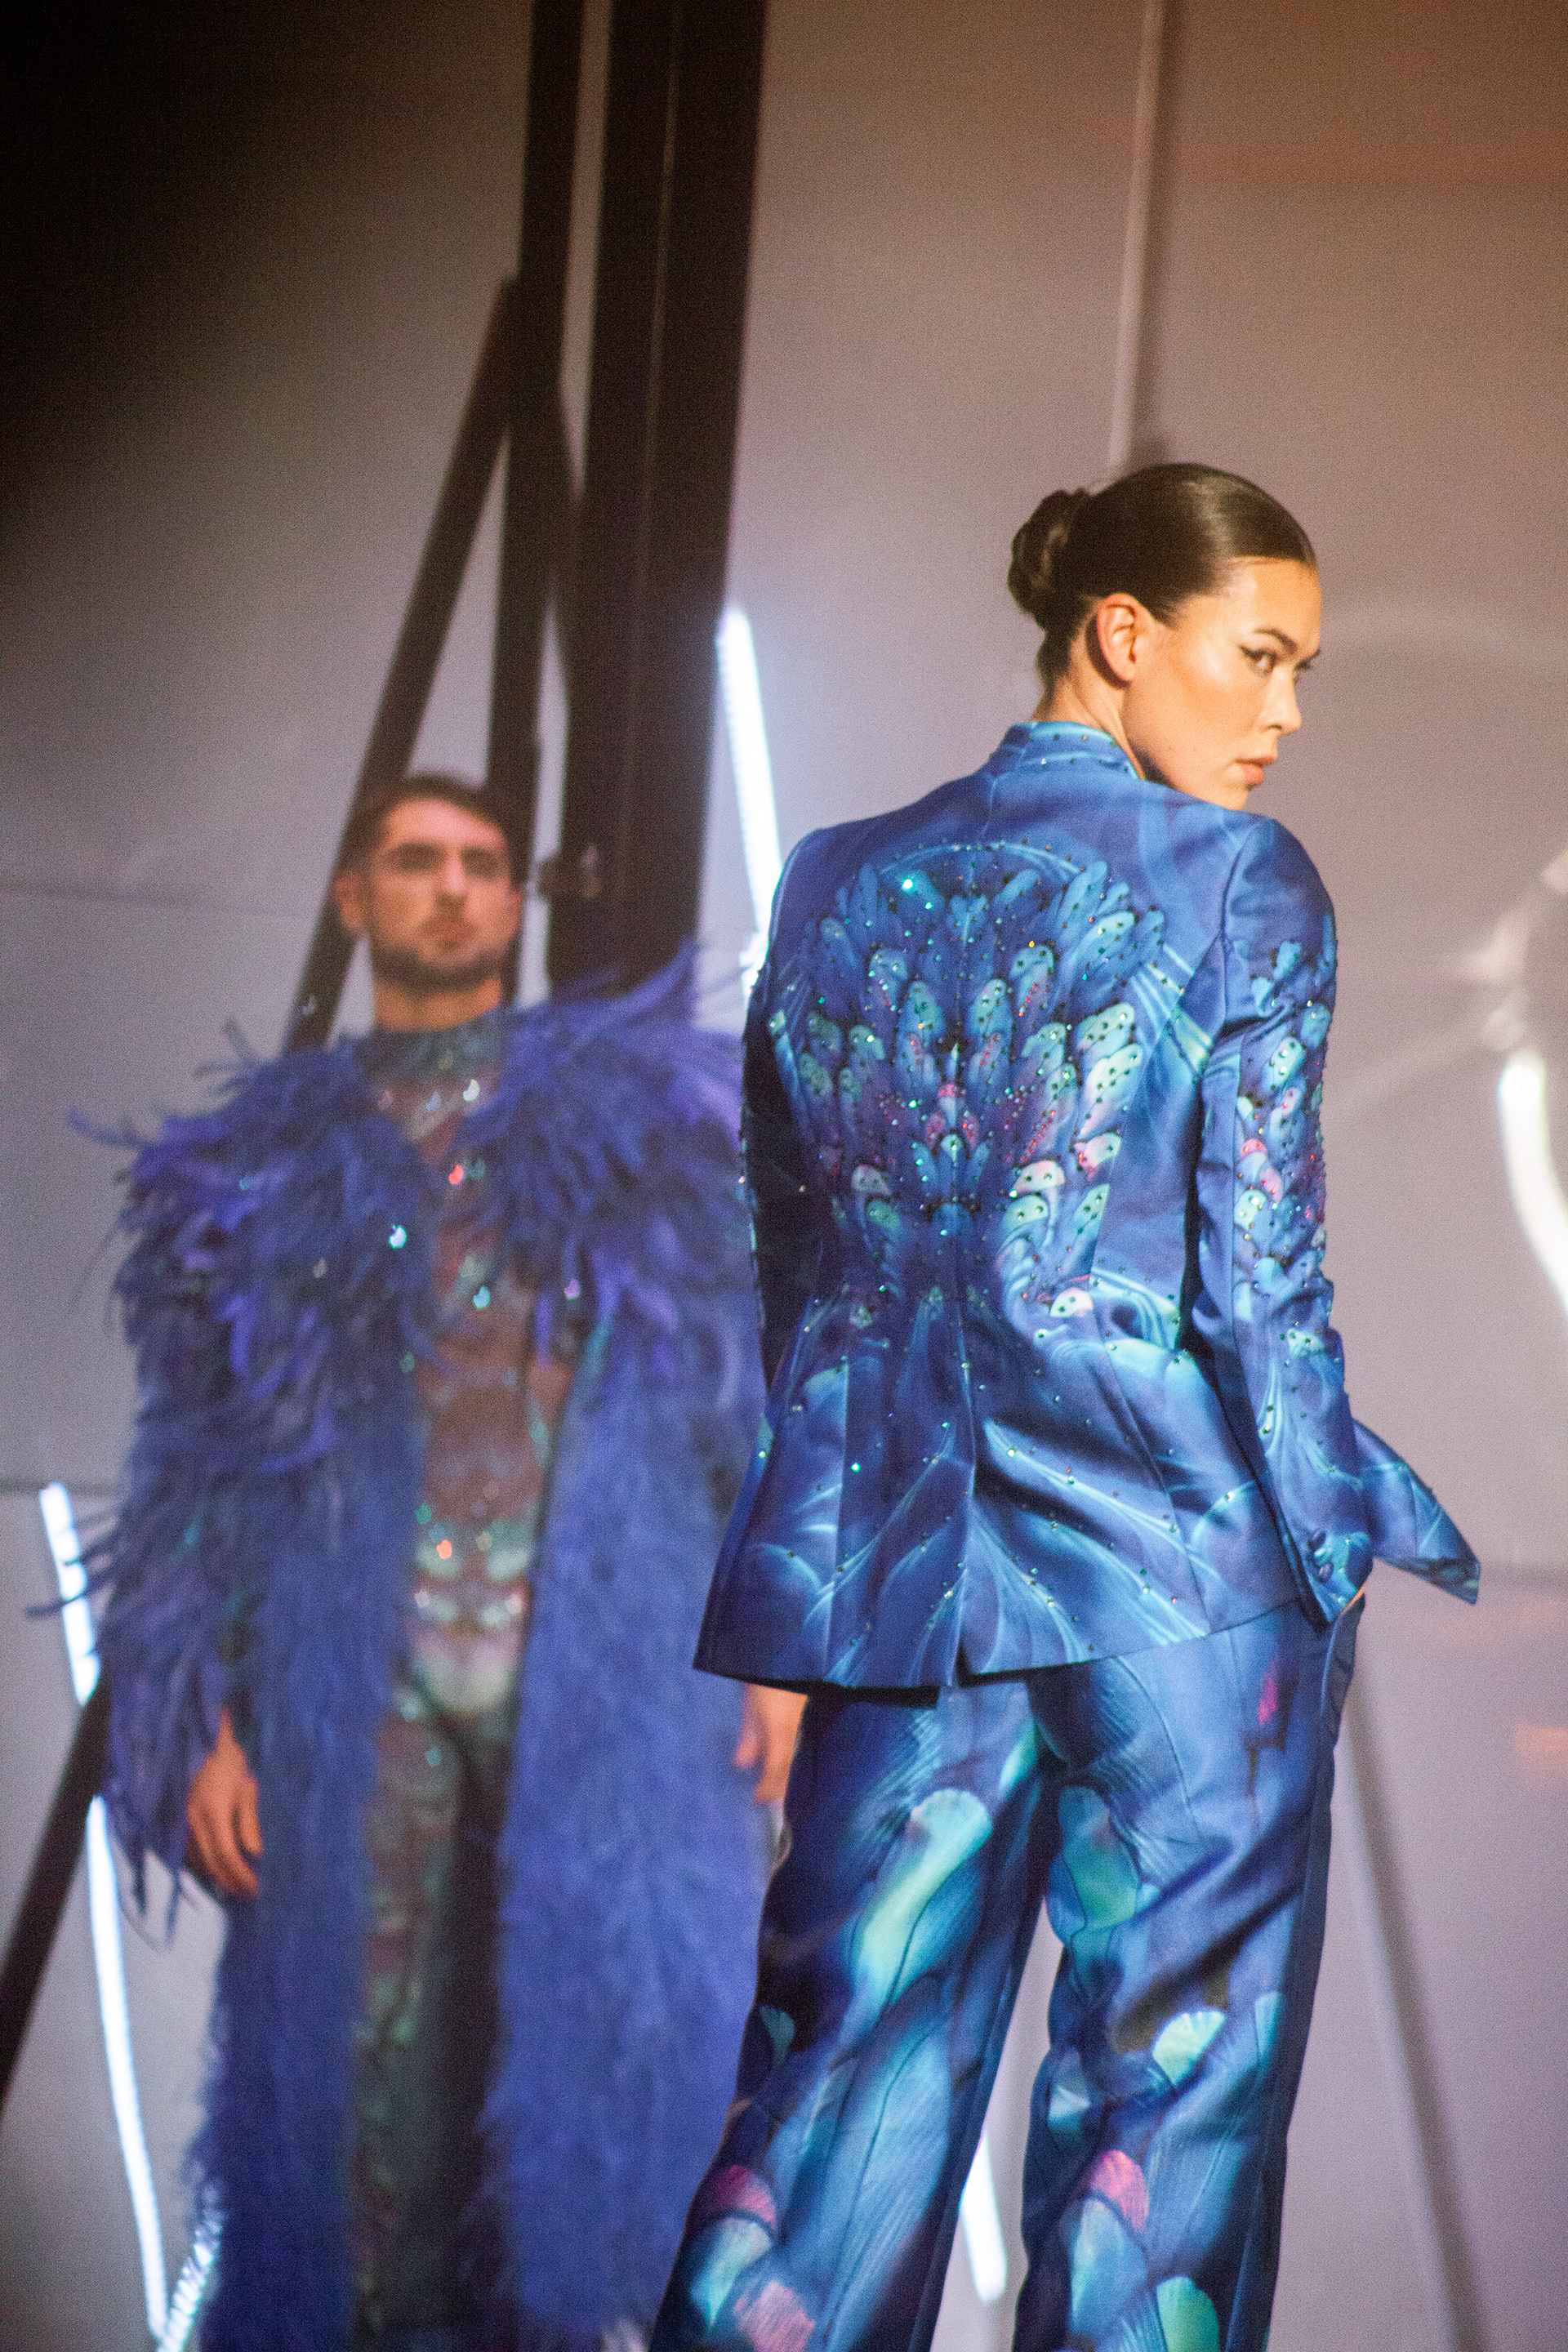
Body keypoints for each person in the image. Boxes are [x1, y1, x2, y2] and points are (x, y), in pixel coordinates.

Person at [649, 466, 1478, 2352]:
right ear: (1123, 633)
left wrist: (828, 1551)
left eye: (1303, 671)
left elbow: (802, 1266)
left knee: (825, 2109)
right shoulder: (1242, 880)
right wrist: (1338, 1557)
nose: (1285, 714)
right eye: (1259, 657)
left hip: (899, 1596)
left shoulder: (835, 872)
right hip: (1178, 1591)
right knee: (1156, 2142)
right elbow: (1264, 1285)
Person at [92, 773, 806, 2352]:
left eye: (481, 864)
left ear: (514, 903)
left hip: (605, 1661)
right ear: (356, 898)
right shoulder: (258, 1170)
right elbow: (192, 1469)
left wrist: (775, 1638)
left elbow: (737, 1379)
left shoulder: (644, 1125)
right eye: (416, 862)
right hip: (358, 1670)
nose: (453, 889)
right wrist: (193, 1714)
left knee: (610, 2062)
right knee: (361, 2073)